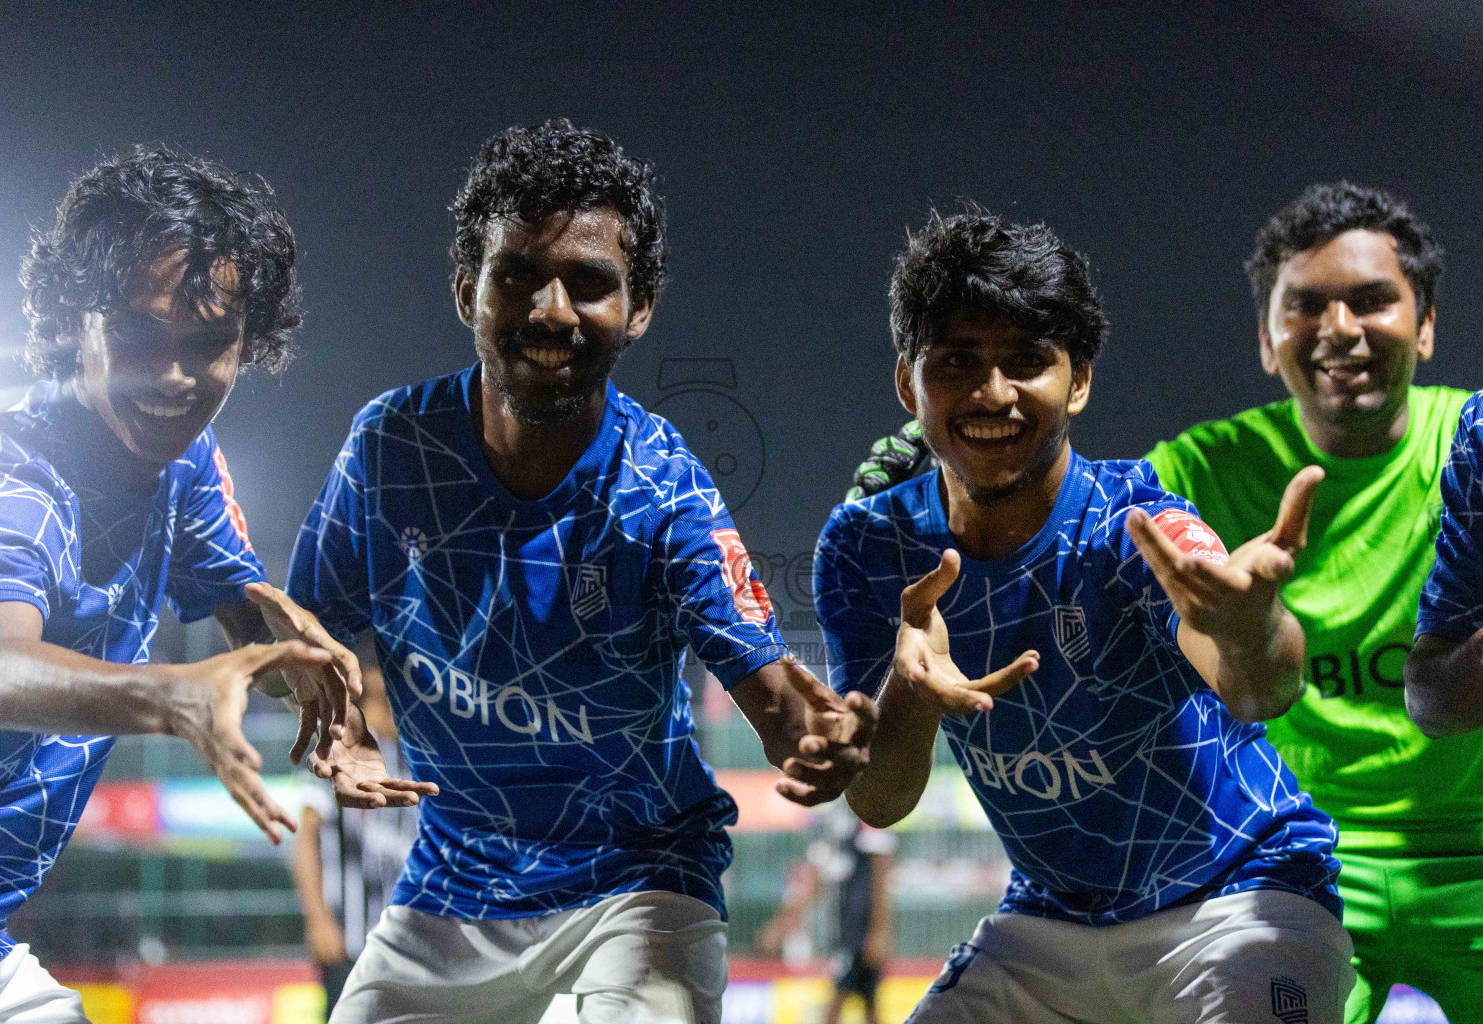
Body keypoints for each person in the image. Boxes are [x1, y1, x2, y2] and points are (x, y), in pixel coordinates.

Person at [846, 182, 1483, 1021]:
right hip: (1295, 863)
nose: (1339, 329)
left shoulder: (1470, 449)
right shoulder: (1192, 471)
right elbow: (1065, 507)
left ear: (1427, 324)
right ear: (1266, 338)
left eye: (1372, 302)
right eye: (1306, 307)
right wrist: (929, 476)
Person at [286, 119, 876, 1024]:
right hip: (455, 884)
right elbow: (302, 632)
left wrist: (819, 738)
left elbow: (773, 697)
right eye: (518, 272)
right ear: (465, 288)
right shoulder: (390, 449)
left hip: (639, 885)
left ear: (637, 311)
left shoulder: (662, 488)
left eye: (591, 283)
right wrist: (337, 732)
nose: (553, 308)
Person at [0, 145, 365, 1023]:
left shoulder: (184, 466)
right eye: (138, 337)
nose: (173, 379)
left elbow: (235, 596)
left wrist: (297, 657)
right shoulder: (10, 488)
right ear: (72, 322)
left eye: (208, 346)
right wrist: (173, 695)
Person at [291, 646, 421, 1020]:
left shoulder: (416, 761)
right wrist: (317, 919)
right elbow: (306, 840)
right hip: (348, 941)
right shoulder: (334, 755)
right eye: (379, 700)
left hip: (406, 945)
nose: (389, 710)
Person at [757, 805, 895, 1024]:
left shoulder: (867, 812)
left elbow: (880, 874)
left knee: (843, 997)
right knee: (866, 1000)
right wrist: (783, 922)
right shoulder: (834, 819)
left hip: (861, 930)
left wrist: (878, 932)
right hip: (846, 929)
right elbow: (817, 880)